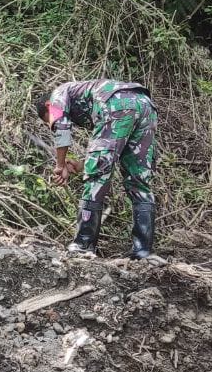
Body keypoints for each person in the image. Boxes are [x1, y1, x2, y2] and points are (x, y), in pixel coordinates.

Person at [34, 79, 158, 259]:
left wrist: (60, 165)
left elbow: (62, 127)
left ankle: (83, 245)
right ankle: (143, 251)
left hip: (116, 103)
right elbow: (111, 150)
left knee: (96, 180)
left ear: (48, 106)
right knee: (139, 181)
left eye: (48, 121)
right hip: (145, 104)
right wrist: (81, 165)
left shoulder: (56, 96)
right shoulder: (87, 98)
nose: (51, 125)